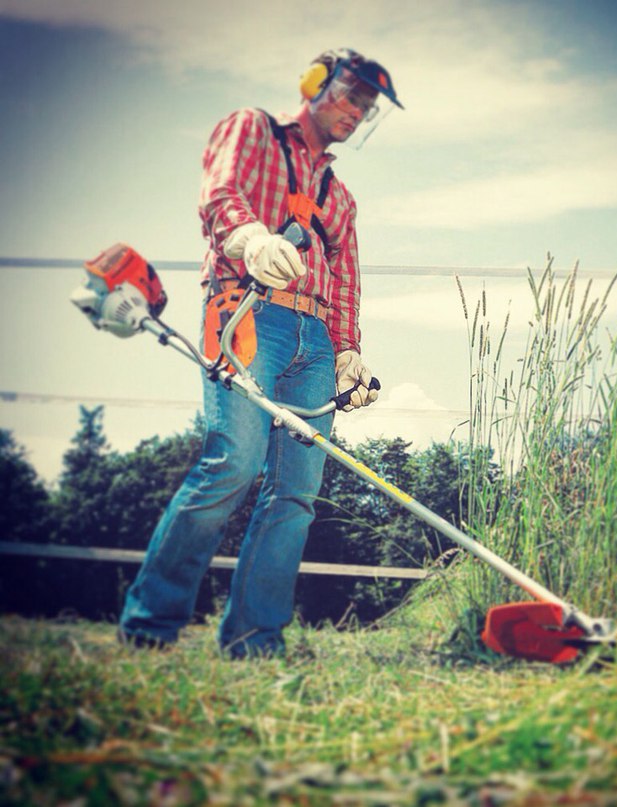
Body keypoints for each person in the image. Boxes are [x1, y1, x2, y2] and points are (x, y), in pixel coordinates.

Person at [119, 48, 403, 659]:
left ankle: (255, 638)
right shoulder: (253, 129)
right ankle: (150, 624)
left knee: (296, 494)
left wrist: (349, 350)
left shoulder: (342, 198)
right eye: (350, 95)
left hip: (316, 341)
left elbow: (346, 277)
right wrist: (250, 239)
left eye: (367, 106)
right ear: (315, 83)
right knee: (232, 465)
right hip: (247, 313)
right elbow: (220, 192)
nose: (357, 111)